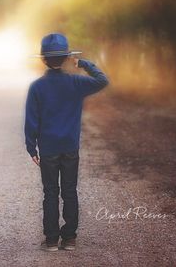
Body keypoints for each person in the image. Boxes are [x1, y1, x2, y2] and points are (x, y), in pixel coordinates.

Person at [24, 33, 109, 252]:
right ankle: (69, 238)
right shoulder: (77, 82)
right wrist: (84, 64)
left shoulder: (37, 87)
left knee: (50, 192)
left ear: (43, 59)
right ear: (66, 58)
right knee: (70, 191)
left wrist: (31, 147)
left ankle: (51, 240)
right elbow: (103, 80)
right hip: (70, 147)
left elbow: (32, 120)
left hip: (49, 149)